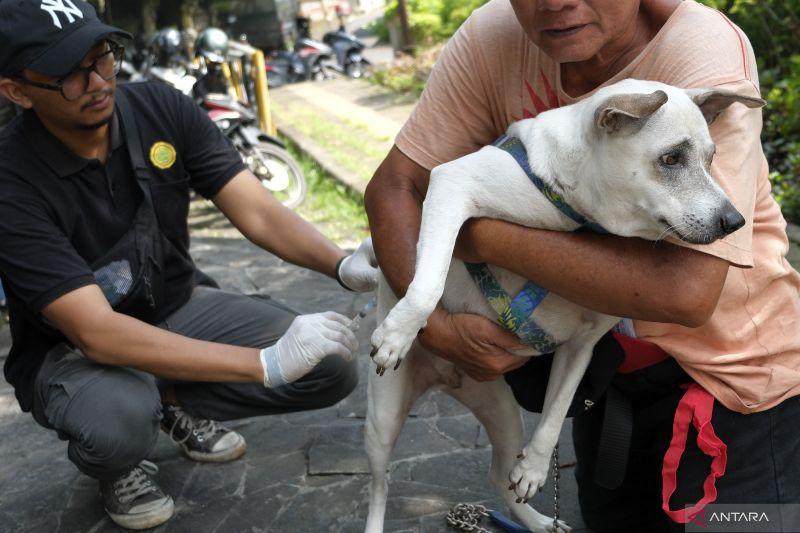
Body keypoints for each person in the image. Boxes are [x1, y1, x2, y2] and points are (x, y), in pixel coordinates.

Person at [365, 0, 800, 531]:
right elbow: (395, 186)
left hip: (738, 389)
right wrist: (431, 325)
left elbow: (683, 292)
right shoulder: (493, 35)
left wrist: (480, 234)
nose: (555, 3)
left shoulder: (700, 48)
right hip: (607, 383)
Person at [0, 1, 377, 530]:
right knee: (118, 423)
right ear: (16, 90)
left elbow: (258, 210)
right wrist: (264, 365)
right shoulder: (11, 182)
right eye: (68, 74)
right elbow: (97, 333)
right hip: (73, 353)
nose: (97, 81)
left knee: (330, 365)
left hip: (174, 304)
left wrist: (340, 264)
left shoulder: (159, 106)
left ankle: (169, 397)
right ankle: (123, 453)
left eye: (102, 57)